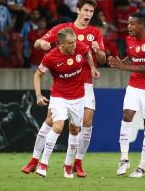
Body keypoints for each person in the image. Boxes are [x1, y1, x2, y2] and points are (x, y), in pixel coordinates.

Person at [22, 0, 106, 177]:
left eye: (91, 12)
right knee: (51, 121)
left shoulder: (95, 33)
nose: (88, 14)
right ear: (78, 10)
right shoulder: (63, 29)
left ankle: (78, 162)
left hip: (85, 84)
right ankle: (35, 160)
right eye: (85, 10)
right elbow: (38, 43)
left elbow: (102, 59)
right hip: (64, 84)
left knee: (86, 122)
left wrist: (97, 52)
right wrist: (42, 43)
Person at [33, 27, 100, 178]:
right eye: (70, 43)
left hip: (78, 97)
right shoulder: (50, 57)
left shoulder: (79, 47)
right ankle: (43, 164)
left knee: (75, 130)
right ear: (61, 44)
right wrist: (38, 95)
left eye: (75, 41)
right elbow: (37, 75)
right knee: (58, 126)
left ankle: (68, 166)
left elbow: (87, 52)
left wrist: (92, 67)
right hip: (59, 97)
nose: (74, 45)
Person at [108, 12, 145, 178]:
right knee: (127, 115)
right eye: (128, 24)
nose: (128, 27)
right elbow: (132, 57)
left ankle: (141, 167)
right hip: (134, 86)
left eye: (132, 24)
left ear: (141, 25)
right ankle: (124, 158)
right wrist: (119, 63)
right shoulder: (129, 40)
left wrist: (124, 67)